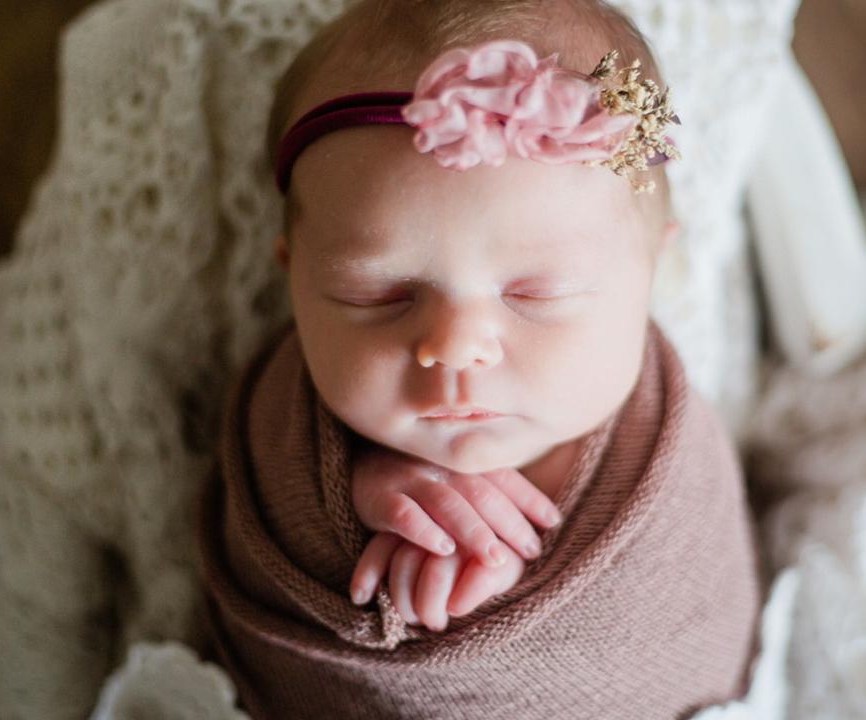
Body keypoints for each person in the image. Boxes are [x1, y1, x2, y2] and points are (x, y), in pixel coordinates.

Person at [197, 1, 761, 717]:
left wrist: (498, 594)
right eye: (378, 294)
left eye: (537, 292)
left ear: (651, 268)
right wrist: (348, 496)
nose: (455, 346)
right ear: (294, 276)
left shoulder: (662, 457)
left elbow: (688, 627)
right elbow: (259, 518)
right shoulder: (284, 423)